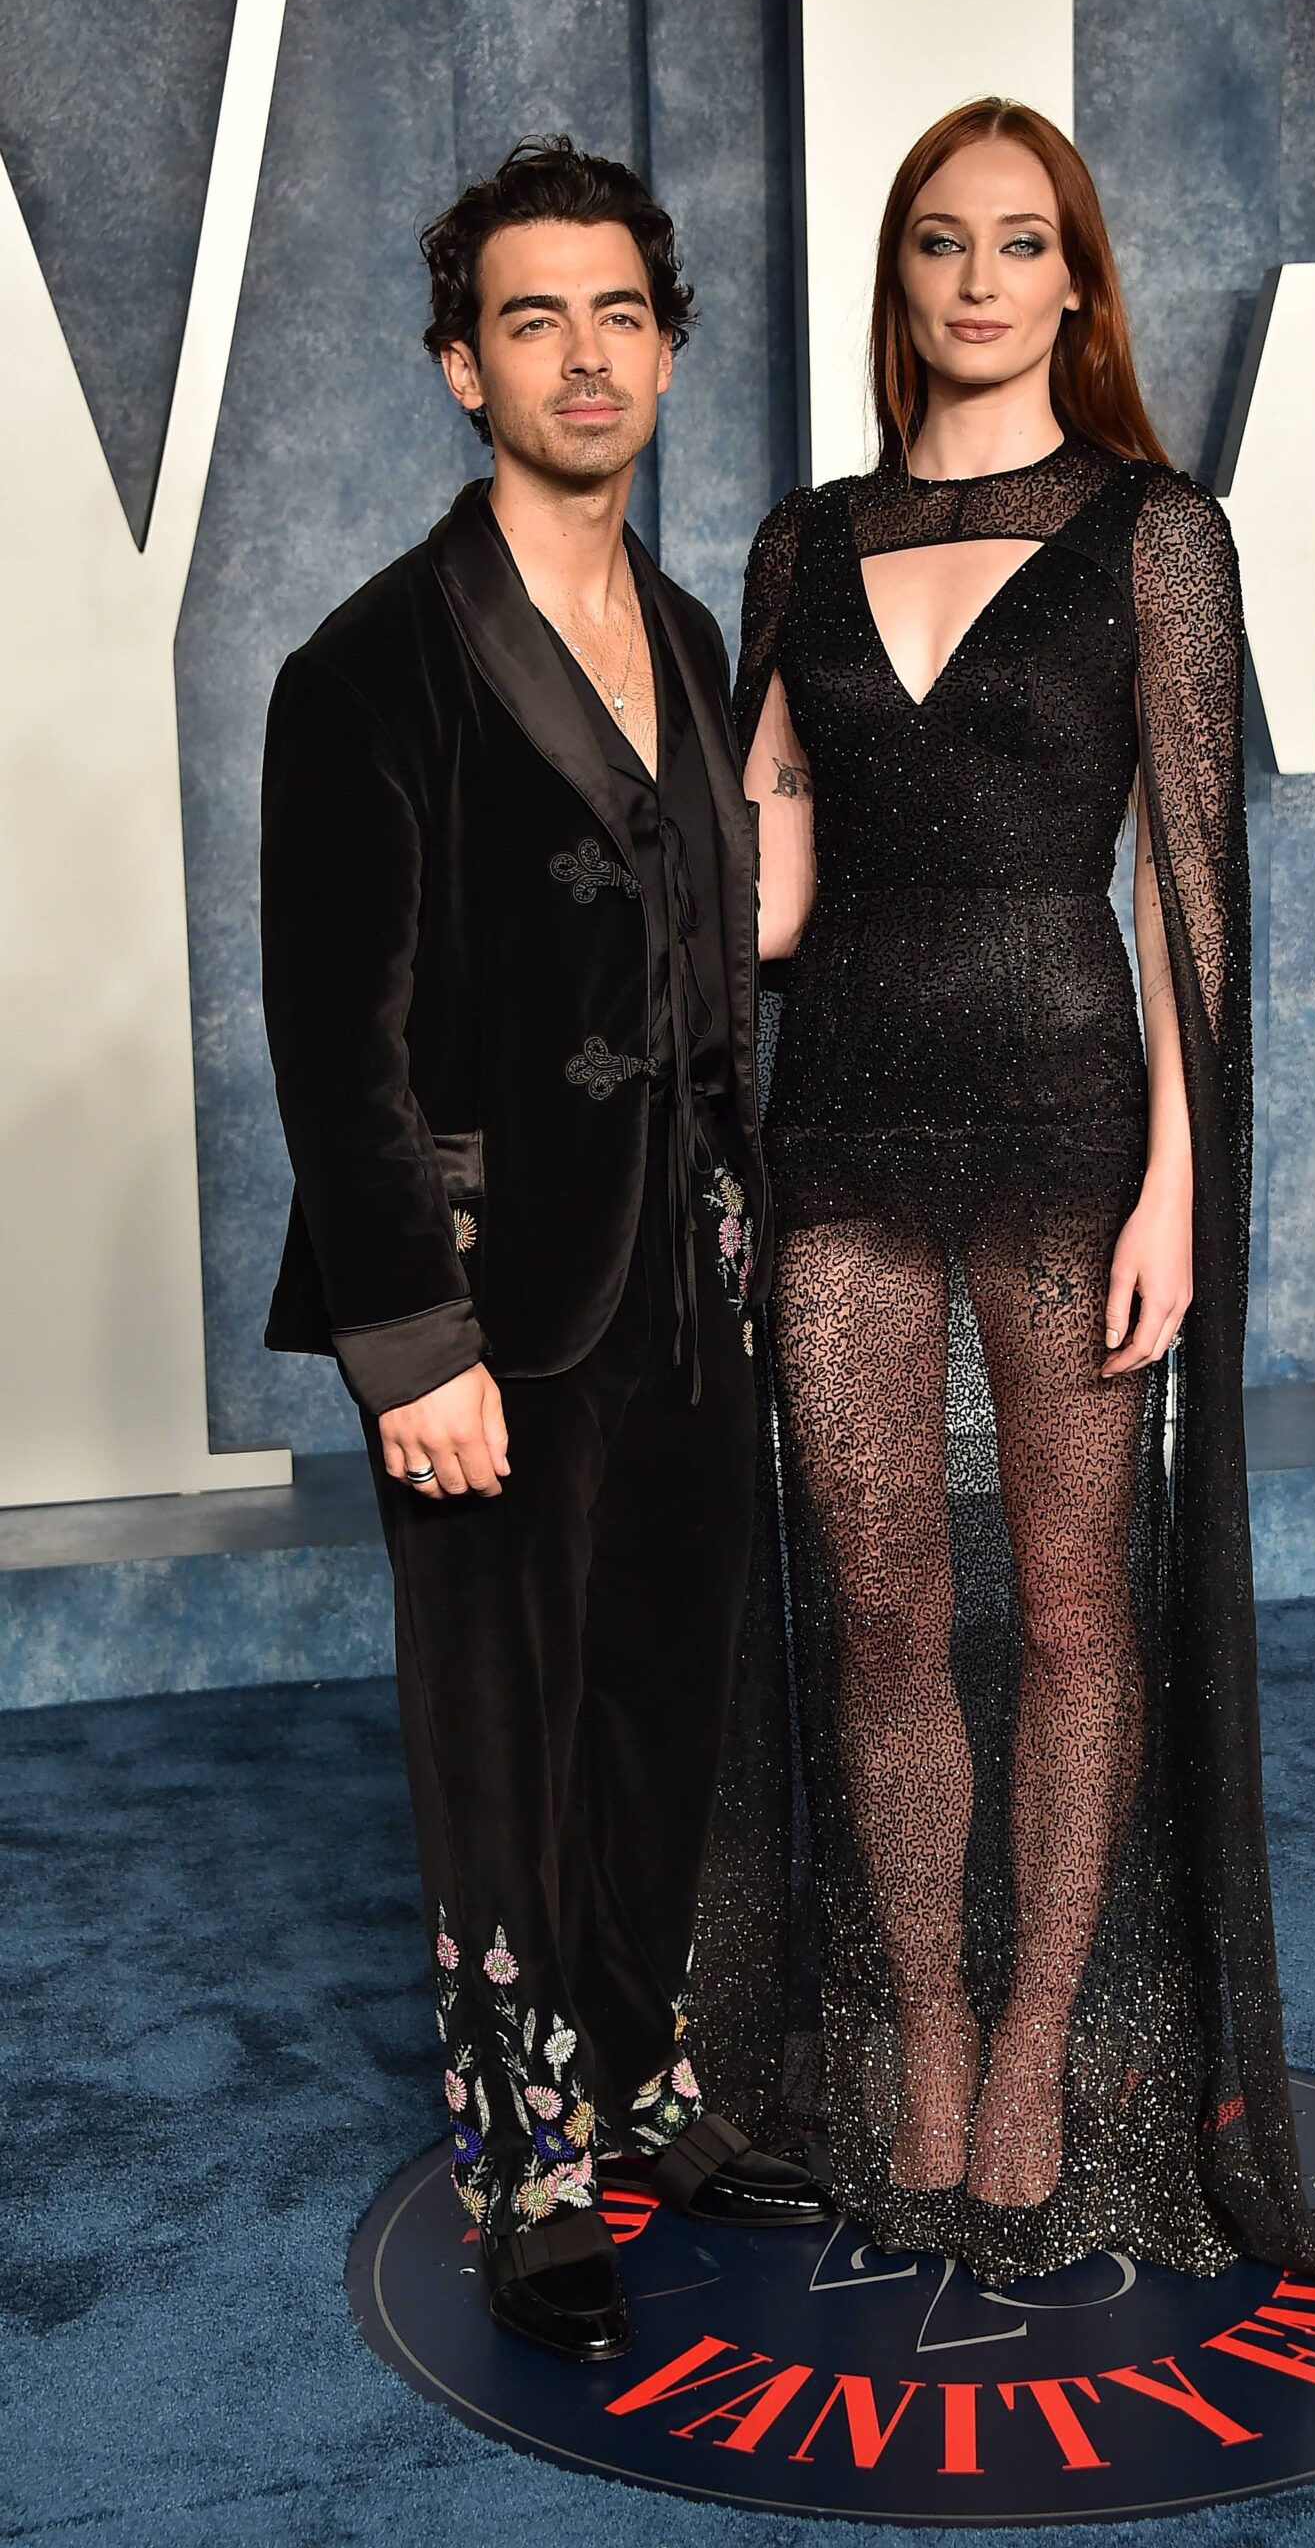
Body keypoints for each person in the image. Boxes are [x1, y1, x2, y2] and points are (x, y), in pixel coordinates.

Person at [703, 98, 1315, 2288]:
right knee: (883, 1607)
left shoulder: (1151, 536)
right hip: (843, 1131)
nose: (981, 278)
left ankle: (1026, 2055)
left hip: (1074, 1124)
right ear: (895, 278)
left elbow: (1193, 898)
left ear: (1074, 284)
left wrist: (1180, 1182)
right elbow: (765, 881)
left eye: (1022, 243)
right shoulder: (798, 545)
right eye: (939, 241)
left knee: (1077, 1611)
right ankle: (918, 2031)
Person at [259, 136, 828, 2368]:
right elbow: (337, 1028)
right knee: (497, 1726)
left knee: (663, 1699)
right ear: (455, 370)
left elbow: (703, 966)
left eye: (616, 315)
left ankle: (641, 2070)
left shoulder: (687, 639)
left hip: (686, 1275)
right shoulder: (368, 665)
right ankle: (521, 2147)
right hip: (484, 1297)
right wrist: (412, 1345)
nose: (580, 356)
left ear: (666, 353)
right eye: (529, 320)